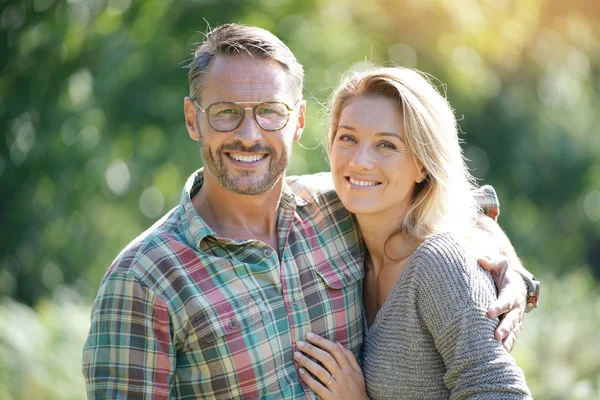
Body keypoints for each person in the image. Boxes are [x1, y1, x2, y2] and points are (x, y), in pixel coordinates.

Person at [82, 24, 538, 399]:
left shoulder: (338, 206)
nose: (249, 133)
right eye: (224, 112)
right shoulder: (143, 279)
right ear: (191, 118)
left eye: (270, 112)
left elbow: (454, 203)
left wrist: (511, 273)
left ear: (298, 121)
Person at [293, 67, 532, 398]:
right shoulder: (338, 229)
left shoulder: (440, 264)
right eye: (348, 138)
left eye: (386, 145)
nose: (360, 161)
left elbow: (501, 393)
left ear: (423, 164)